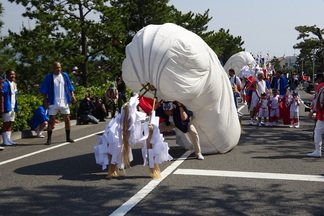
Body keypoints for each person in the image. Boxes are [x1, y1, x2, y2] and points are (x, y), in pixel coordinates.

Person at [39, 62, 77, 145]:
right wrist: (45, 100)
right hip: (53, 101)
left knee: (67, 119)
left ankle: (68, 137)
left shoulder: (64, 75)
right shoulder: (49, 77)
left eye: (59, 67)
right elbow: (44, 90)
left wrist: (72, 95)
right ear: (53, 68)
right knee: (51, 120)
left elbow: (70, 87)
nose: (58, 69)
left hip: (64, 100)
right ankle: (49, 139)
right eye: (56, 68)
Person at [307, 73, 324, 157]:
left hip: (322, 113)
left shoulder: (321, 86)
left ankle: (318, 150)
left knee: (317, 131)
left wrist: (311, 111)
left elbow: (316, 100)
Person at [1, 70, 18, 146]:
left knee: (10, 123)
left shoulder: (14, 84)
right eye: (11, 74)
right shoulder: (5, 83)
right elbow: (2, 95)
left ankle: (8, 139)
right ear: (7, 75)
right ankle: (4, 140)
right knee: (6, 123)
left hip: (13, 106)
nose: (13, 76)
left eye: (14, 74)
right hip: (7, 106)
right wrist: (2, 107)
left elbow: (15, 94)